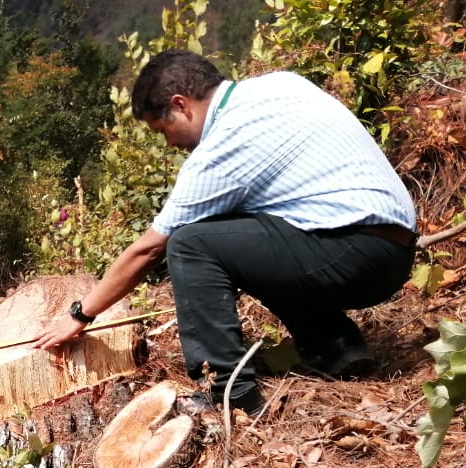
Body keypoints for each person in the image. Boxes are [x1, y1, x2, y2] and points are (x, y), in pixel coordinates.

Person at [35, 50, 418, 415]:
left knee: (190, 244)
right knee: (242, 237)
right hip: (393, 249)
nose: (169, 143)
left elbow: (148, 250)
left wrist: (80, 315)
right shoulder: (282, 85)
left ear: (181, 104)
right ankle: (337, 347)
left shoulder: (224, 144)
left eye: (163, 129)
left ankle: (232, 393)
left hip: (357, 254)